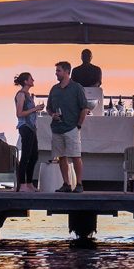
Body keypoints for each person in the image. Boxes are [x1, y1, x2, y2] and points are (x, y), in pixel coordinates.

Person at [47, 60, 89, 192]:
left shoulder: (76, 88)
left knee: (75, 156)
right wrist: (52, 114)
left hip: (71, 128)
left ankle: (79, 184)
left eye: (58, 71)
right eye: (56, 71)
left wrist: (79, 125)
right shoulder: (54, 89)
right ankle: (66, 184)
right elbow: (49, 108)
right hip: (57, 128)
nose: (56, 73)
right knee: (61, 157)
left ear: (66, 72)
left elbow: (84, 108)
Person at [13, 72, 44, 192]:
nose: (33, 80)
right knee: (25, 155)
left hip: (31, 128)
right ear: (26, 81)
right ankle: (22, 184)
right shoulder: (21, 95)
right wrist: (35, 108)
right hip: (25, 127)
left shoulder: (28, 95)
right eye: (31, 79)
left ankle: (30, 183)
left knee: (34, 155)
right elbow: (19, 113)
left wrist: (35, 110)